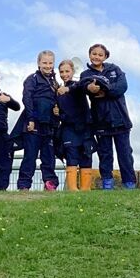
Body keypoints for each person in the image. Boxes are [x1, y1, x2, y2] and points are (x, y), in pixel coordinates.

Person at [80, 44, 136, 190]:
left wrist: (106, 90)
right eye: (94, 54)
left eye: (100, 54)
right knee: (105, 154)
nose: (96, 56)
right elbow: (84, 86)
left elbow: (122, 87)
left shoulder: (115, 69)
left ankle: (129, 183)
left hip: (121, 120)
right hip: (100, 121)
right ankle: (107, 182)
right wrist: (90, 88)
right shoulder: (86, 74)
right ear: (89, 55)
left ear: (105, 56)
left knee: (125, 154)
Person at [17, 50, 61, 191]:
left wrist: (57, 111)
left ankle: (50, 183)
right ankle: (24, 185)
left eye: (50, 63)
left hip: (49, 124)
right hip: (34, 123)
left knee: (48, 156)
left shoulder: (55, 82)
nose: (47, 66)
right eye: (44, 63)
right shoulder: (32, 79)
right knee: (30, 156)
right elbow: (27, 98)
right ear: (38, 63)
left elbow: (58, 101)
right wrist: (30, 119)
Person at [55, 59, 94, 191]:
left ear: (73, 71)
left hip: (84, 128)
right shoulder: (58, 92)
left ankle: (85, 189)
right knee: (71, 157)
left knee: (86, 156)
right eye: (61, 71)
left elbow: (81, 86)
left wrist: (68, 88)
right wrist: (58, 113)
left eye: (67, 71)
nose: (64, 74)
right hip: (69, 129)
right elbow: (61, 112)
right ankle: (72, 189)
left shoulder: (78, 86)